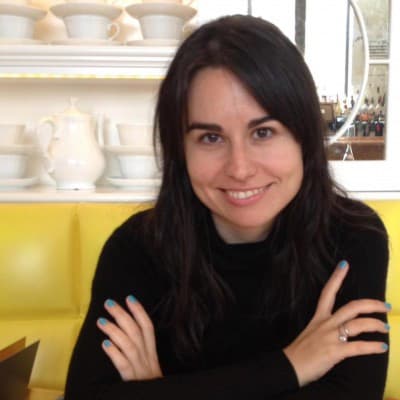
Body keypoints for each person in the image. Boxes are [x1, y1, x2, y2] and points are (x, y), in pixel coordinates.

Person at [64, 15, 390, 400]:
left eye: (263, 132)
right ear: (180, 150)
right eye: (210, 138)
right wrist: (292, 366)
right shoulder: (137, 248)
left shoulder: (354, 237)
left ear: (303, 137)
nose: (239, 168)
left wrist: (162, 390)